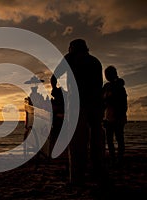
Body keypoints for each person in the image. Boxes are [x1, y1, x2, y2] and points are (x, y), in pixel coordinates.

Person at [52, 39, 107, 187]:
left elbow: (54, 77)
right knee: (97, 140)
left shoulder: (70, 59)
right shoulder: (95, 61)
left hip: (78, 105)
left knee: (77, 142)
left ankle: (77, 177)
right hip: (96, 105)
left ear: (72, 49)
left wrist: (55, 90)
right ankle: (98, 171)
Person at [102, 66, 127, 165]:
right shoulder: (107, 86)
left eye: (108, 74)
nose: (107, 76)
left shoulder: (119, 87)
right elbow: (101, 99)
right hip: (108, 116)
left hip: (117, 116)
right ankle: (113, 158)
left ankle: (119, 158)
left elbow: (123, 103)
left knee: (119, 138)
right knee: (110, 139)